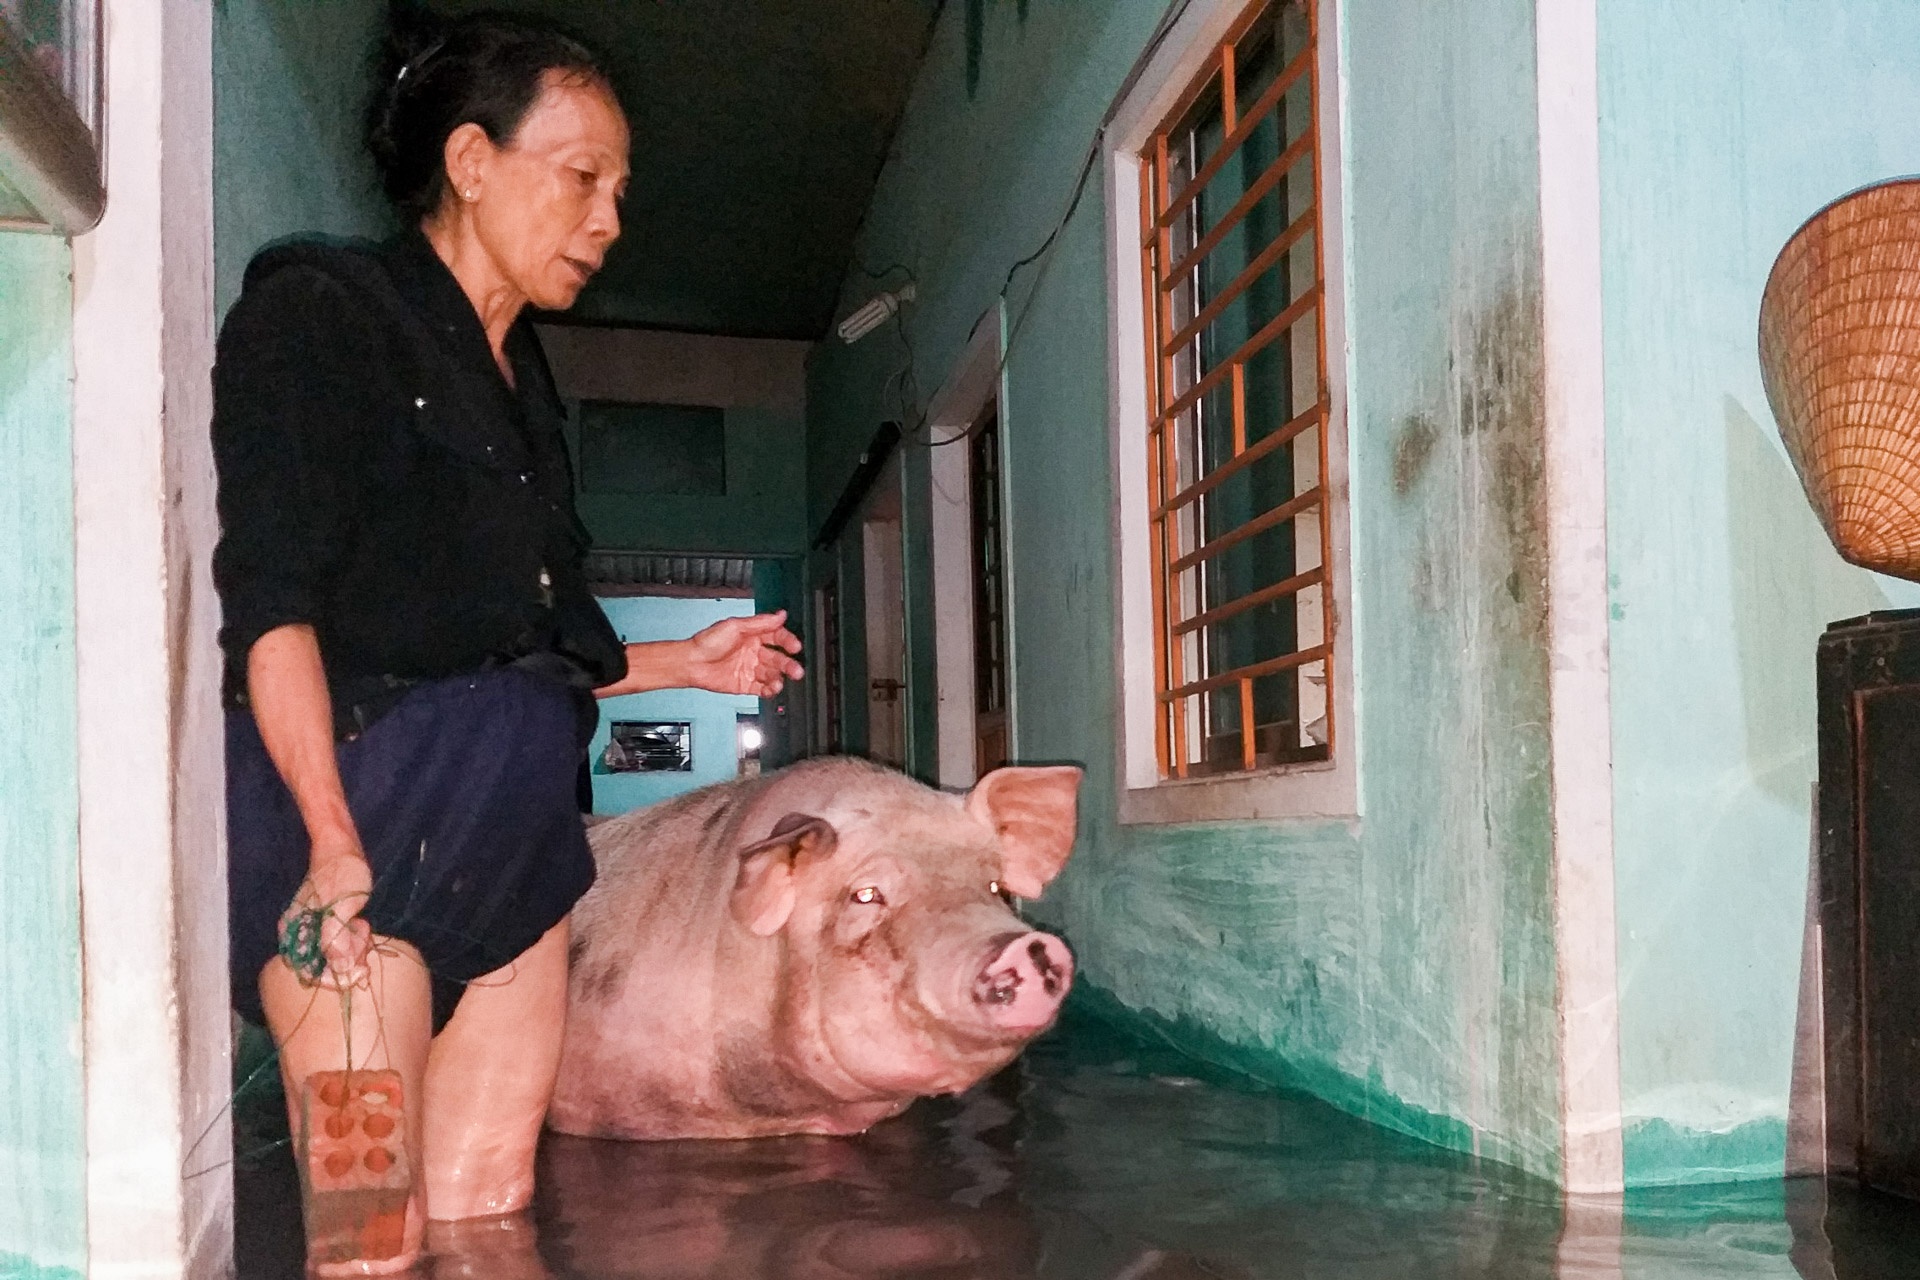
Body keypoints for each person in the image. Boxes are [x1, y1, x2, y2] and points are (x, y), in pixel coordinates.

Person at [210, 14, 803, 1272]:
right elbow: (274, 605)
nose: (609, 217)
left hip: (517, 849)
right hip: (365, 839)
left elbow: (523, 646)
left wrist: (688, 662)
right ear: (472, 160)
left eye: (622, 190)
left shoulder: (523, 383)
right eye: (583, 175)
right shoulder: (321, 310)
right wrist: (327, 843)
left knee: (490, 1217)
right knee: (372, 1233)